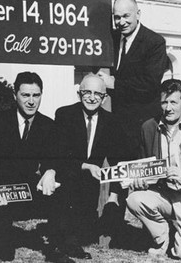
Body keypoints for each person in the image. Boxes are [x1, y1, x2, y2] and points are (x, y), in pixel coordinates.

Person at [0, 71, 72, 263]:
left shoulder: (49, 126)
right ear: (15, 95)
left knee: (62, 191)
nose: (31, 101)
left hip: (30, 191)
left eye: (36, 95)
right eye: (25, 95)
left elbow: (59, 157)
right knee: (1, 252)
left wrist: (51, 171)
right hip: (1, 193)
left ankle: (56, 248)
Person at [126, 79, 181, 261]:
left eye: (173, 102)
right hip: (166, 195)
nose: (168, 108)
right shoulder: (149, 127)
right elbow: (146, 166)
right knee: (135, 199)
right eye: (164, 102)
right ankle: (164, 239)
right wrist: (141, 180)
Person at [55, 74, 127, 258]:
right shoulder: (64, 115)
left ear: (104, 98)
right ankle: (66, 240)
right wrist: (85, 166)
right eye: (87, 92)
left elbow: (117, 161)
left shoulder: (112, 122)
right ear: (79, 93)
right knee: (69, 233)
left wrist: (114, 195)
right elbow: (60, 156)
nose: (92, 97)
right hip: (67, 176)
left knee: (88, 234)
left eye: (97, 94)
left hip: (91, 185)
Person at [98, 0, 168, 157]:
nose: (121, 22)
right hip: (116, 127)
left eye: (126, 16)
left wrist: (114, 84)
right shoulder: (111, 39)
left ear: (138, 14)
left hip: (142, 128)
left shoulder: (155, 42)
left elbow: (150, 83)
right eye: (117, 17)